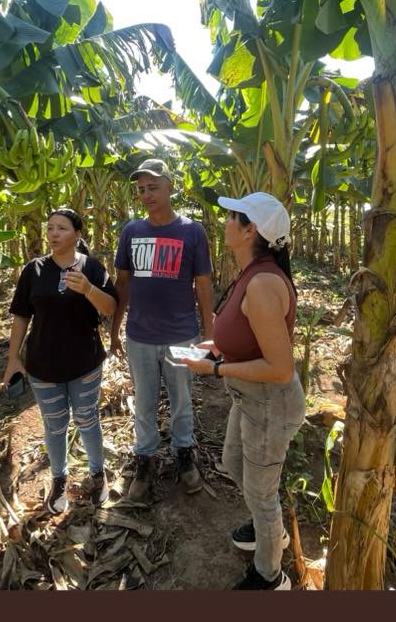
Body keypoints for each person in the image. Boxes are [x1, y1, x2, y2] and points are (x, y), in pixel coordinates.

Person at [180, 191, 306, 591]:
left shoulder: (264, 283)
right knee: (234, 464)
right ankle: (265, 524)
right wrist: (218, 347)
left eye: (231, 217)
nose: (224, 223)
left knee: (262, 494)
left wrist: (215, 368)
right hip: (249, 398)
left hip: (269, 402)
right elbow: (249, 335)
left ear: (249, 229)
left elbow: (280, 368)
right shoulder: (251, 271)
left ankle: (270, 575)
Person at [111, 157, 216, 503]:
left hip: (181, 334)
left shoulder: (191, 231)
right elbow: (122, 285)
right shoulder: (131, 231)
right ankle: (145, 459)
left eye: (153, 187)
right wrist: (115, 329)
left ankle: (184, 454)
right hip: (140, 335)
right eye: (141, 189)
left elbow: (203, 285)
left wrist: (209, 333)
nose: (146, 194)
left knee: (182, 400)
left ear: (170, 186)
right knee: (143, 402)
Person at [2, 208, 115, 514]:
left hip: (85, 362)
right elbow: (21, 316)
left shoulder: (91, 267)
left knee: (87, 418)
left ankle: (97, 474)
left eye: (61, 228)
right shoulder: (34, 270)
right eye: (50, 228)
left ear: (78, 234)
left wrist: (88, 289)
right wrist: (13, 359)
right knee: (54, 426)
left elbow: (110, 307)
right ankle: (59, 478)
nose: (53, 234)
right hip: (43, 364)